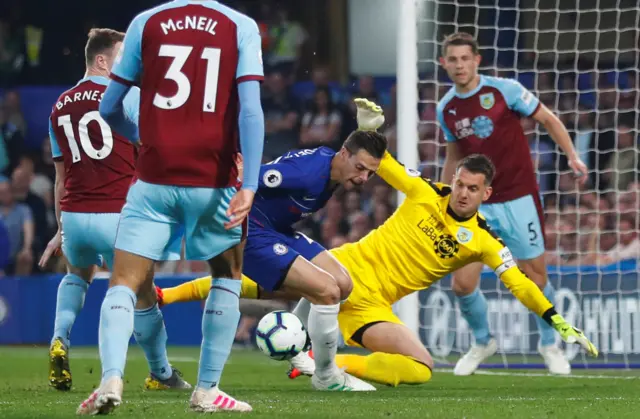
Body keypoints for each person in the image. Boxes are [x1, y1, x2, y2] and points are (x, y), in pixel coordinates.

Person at [157, 99, 597, 387]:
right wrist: (368, 127)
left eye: (471, 188)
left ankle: (330, 365)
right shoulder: (426, 193)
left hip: (372, 306)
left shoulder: (482, 241)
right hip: (345, 268)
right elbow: (377, 162)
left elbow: (518, 280)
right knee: (253, 283)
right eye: (459, 182)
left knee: (421, 369)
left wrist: (554, 317)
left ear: (486, 195)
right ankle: (165, 295)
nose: (460, 192)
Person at [76, 0, 265, 414]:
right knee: (226, 274)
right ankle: (207, 389)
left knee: (123, 282)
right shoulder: (240, 26)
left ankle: (111, 377)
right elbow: (250, 109)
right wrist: (249, 184)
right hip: (211, 182)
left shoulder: (145, 22)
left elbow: (108, 108)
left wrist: (144, 136)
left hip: (153, 181)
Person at [41, 28, 191, 393]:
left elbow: (60, 177)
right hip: (119, 216)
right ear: (102, 60)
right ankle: (159, 372)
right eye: (123, 57)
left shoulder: (59, 105)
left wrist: (61, 229)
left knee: (77, 274)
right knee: (141, 295)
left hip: (75, 216)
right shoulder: (129, 96)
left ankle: (60, 337)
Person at [436, 32, 589, 375]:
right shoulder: (446, 107)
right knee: (461, 283)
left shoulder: (503, 90)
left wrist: (572, 156)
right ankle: (482, 341)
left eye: (465, 58)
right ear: (444, 64)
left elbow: (548, 119)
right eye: (453, 60)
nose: (460, 65)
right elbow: (453, 156)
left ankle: (549, 344)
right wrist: (445, 197)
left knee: (534, 276)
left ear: (477, 59)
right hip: (476, 204)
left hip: (518, 196)